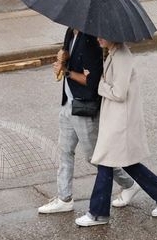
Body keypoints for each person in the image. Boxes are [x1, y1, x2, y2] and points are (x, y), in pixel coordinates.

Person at [75, 38, 157, 226]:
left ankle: (98, 213)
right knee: (124, 162)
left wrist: (99, 84)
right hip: (115, 119)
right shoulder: (114, 53)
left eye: (102, 35)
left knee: (106, 162)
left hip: (120, 121)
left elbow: (119, 93)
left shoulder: (121, 56)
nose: (98, 38)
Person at [38, 27, 139, 215]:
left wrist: (67, 72)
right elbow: (68, 55)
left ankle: (129, 184)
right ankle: (64, 198)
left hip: (84, 106)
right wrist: (63, 56)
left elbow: (92, 82)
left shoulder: (91, 41)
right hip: (68, 103)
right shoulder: (70, 32)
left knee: (94, 156)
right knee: (64, 151)